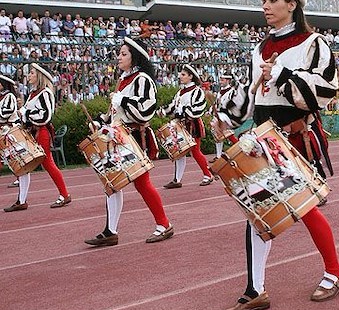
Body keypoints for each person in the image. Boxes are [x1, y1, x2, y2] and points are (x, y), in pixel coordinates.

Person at [219, 0, 339, 310]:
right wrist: (227, 116)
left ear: (292, 5)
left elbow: (326, 89)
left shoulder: (313, 43)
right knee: (257, 213)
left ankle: (334, 270)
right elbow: (251, 91)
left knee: (304, 210)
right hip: (262, 141)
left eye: (273, 0)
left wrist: (283, 73)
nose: (265, 6)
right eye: (264, 1)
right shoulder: (259, 47)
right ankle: (255, 289)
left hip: (293, 139)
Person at [85, 37, 174, 246]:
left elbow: (146, 110)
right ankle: (110, 231)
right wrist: (100, 121)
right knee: (112, 183)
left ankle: (164, 224)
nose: (118, 57)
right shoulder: (123, 80)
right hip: (118, 137)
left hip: (133, 137)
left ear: (134, 58)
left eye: (123, 54)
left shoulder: (142, 79)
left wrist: (123, 100)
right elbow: (113, 114)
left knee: (142, 184)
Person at [4, 63, 71, 211]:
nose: (29, 75)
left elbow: (45, 116)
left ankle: (64, 194)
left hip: (41, 132)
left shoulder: (45, 93)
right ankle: (22, 201)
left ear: (39, 76)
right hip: (32, 132)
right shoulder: (33, 93)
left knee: (47, 163)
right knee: (24, 164)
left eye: (32, 73)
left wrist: (26, 114)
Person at [162, 64, 214, 188]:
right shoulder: (180, 92)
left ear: (191, 77)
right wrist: (164, 111)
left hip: (193, 124)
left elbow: (199, 108)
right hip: (181, 125)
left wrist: (184, 110)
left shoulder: (197, 91)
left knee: (195, 151)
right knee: (179, 152)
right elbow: (173, 106)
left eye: (184, 75)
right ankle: (177, 179)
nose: (180, 76)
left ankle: (208, 174)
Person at [209, 73, 238, 162]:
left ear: (228, 81)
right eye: (220, 80)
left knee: (229, 135)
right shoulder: (220, 91)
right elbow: (216, 103)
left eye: (223, 80)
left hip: (226, 116)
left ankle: (240, 150)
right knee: (218, 135)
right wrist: (210, 110)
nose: (220, 82)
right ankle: (218, 156)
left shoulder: (232, 91)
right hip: (218, 115)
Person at [0, 75, 21, 190]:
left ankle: (20, 177)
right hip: (2, 129)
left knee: (11, 155)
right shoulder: (2, 96)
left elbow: (6, 113)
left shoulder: (10, 96)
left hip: (9, 130)